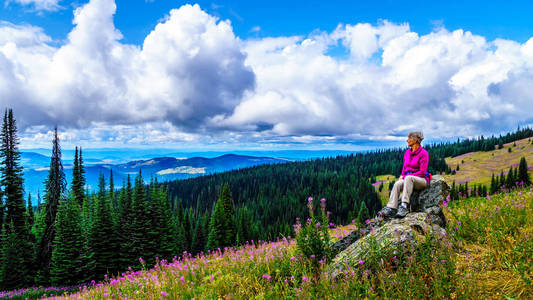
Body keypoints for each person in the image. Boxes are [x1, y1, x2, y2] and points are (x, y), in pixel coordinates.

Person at [378, 131, 430, 218]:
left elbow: (422, 172)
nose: (407, 140)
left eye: (409, 138)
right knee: (397, 184)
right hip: (409, 179)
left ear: (416, 140)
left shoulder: (424, 153)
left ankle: (404, 206)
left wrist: (405, 177)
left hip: (421, 180)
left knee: (408, 178)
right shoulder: (407, 153)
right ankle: (391, 207)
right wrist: (401, 176)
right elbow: (404, 167)